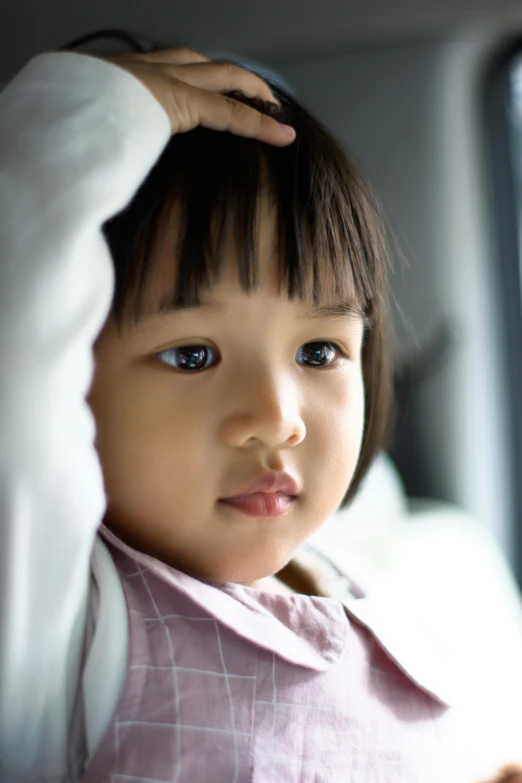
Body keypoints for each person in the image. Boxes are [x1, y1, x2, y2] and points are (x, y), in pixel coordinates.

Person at [0, 28, 516, 783]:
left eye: (318, 352)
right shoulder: (65, 625)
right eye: (192, 355)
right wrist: (90, 114)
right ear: (70, 382)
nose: (278, 418)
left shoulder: (347, 576)